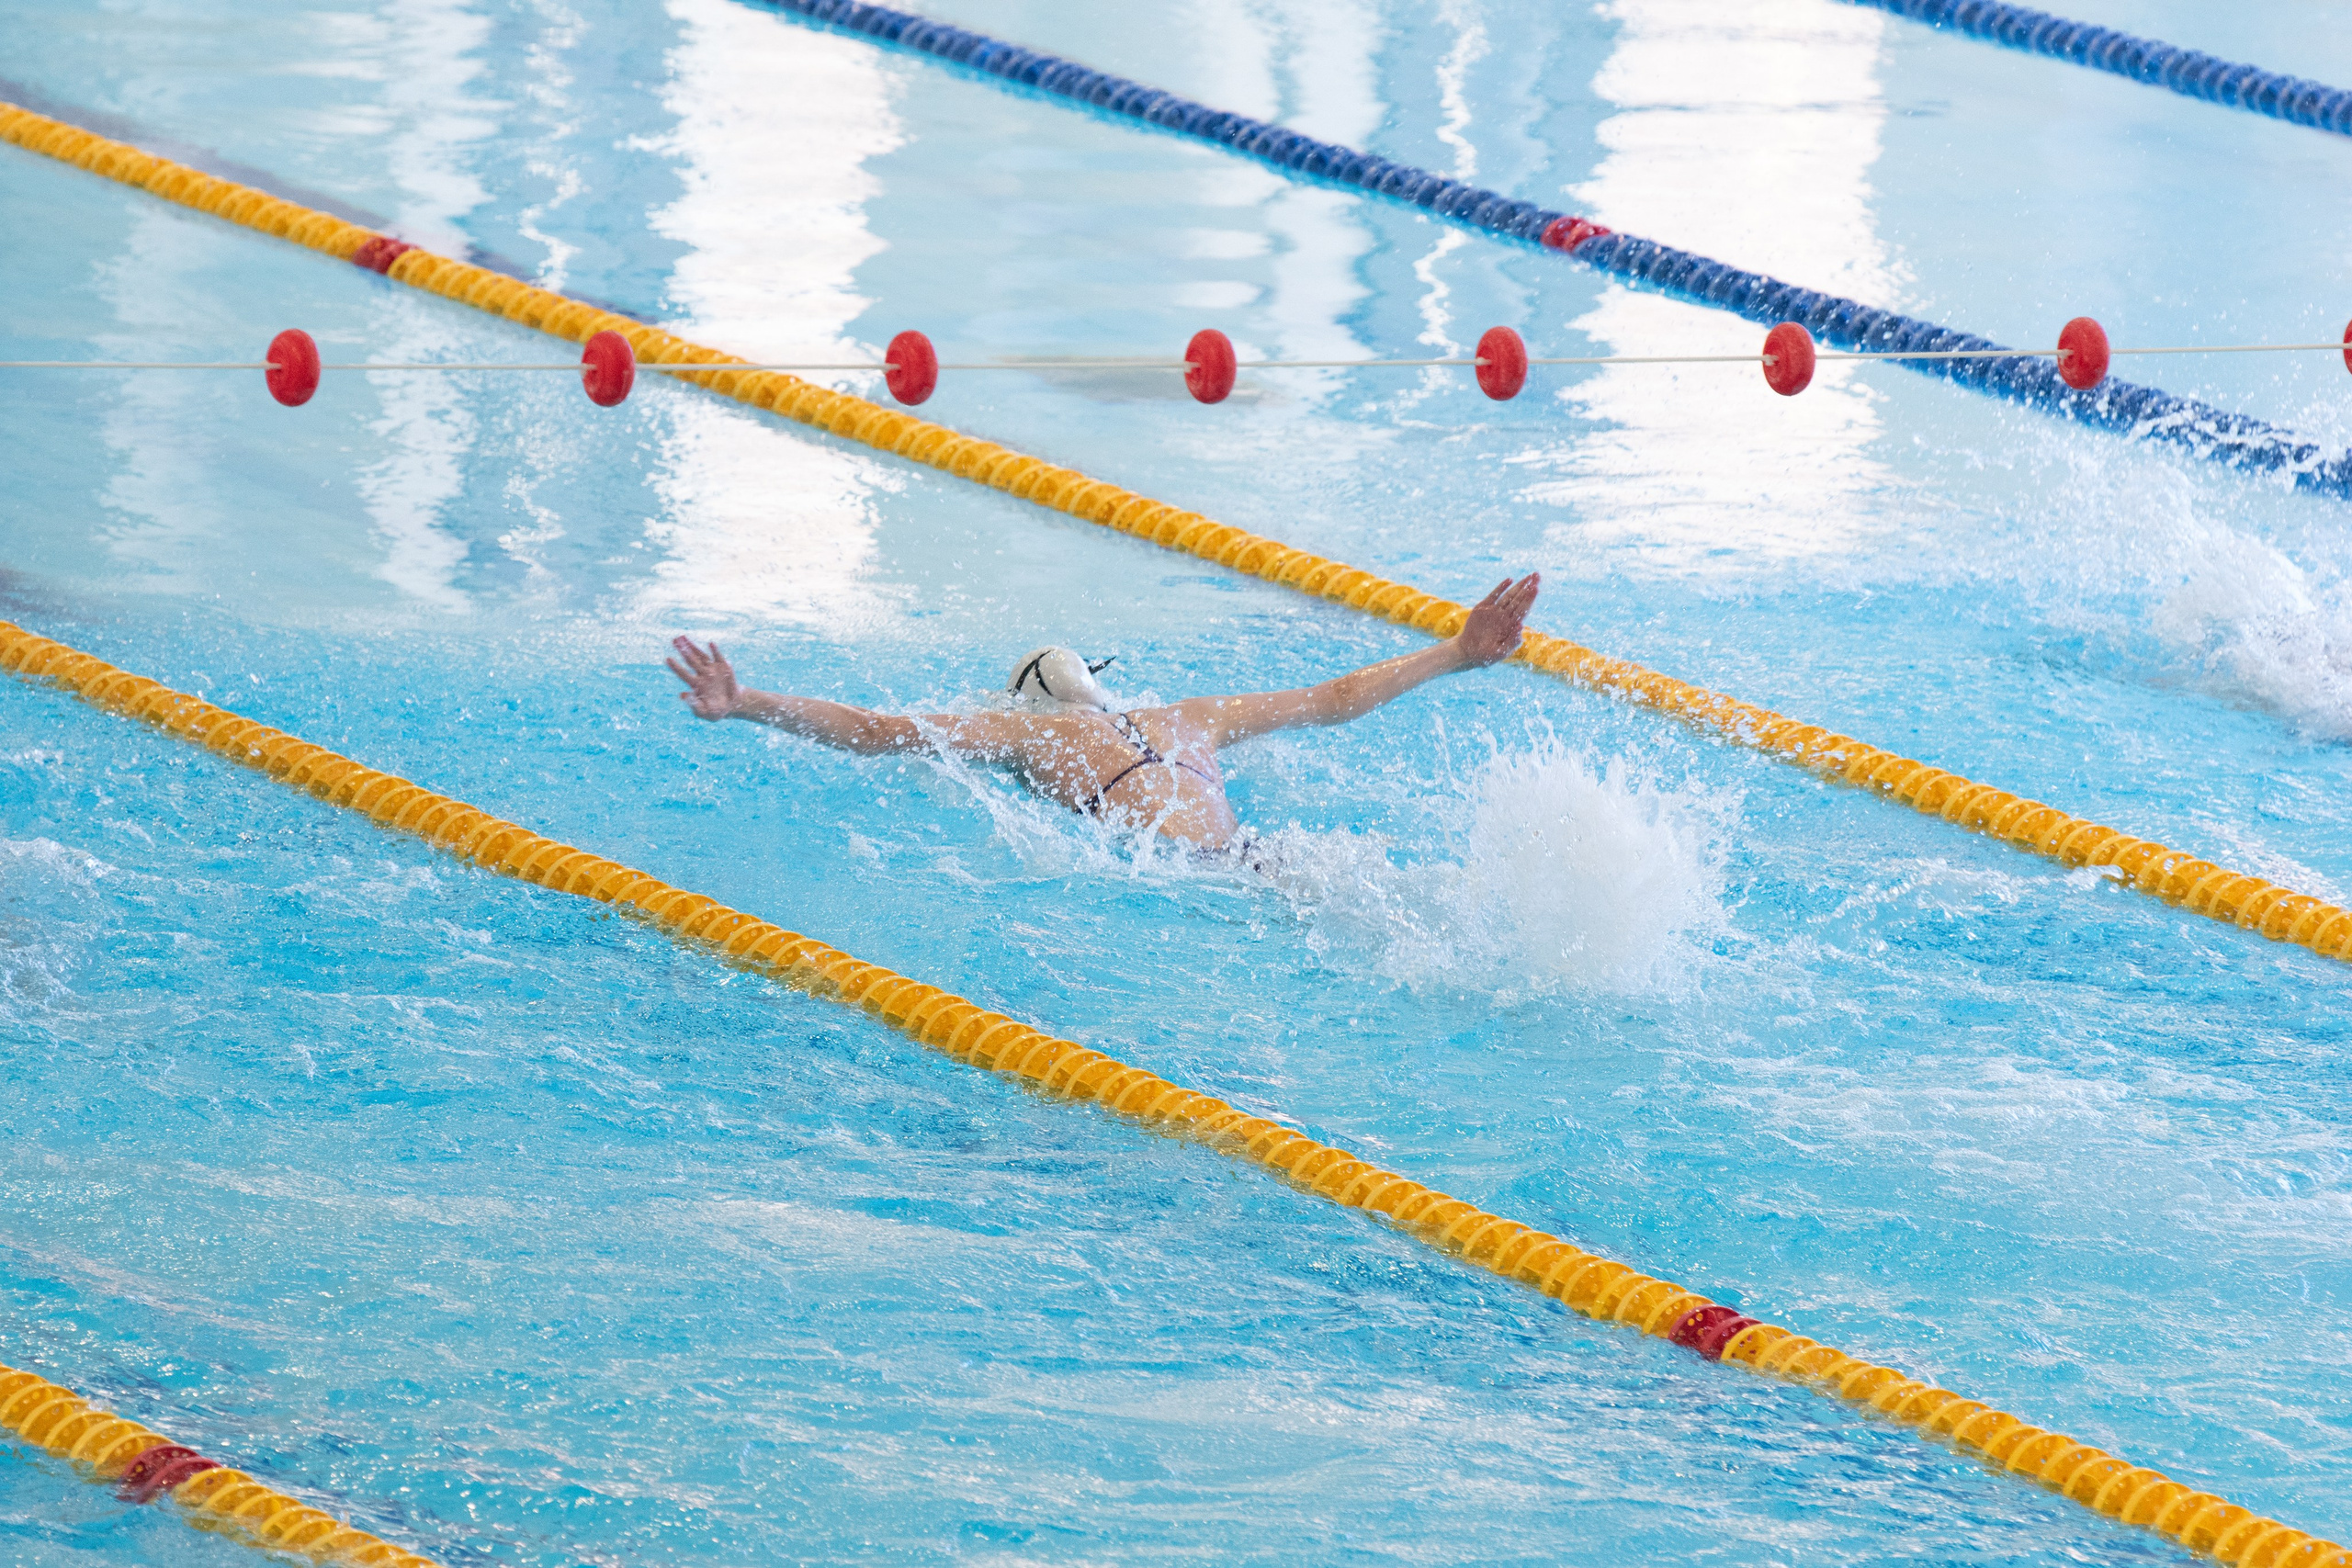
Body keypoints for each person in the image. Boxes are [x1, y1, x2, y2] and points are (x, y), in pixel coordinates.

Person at [666, 572, 1540, 858]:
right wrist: (1454, 652)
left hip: (1194, 880)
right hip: (1261, 857)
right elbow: (1331, 700)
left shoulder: (1029, 734)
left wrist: (748, 704)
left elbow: (874, 731)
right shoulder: (1192, 713)